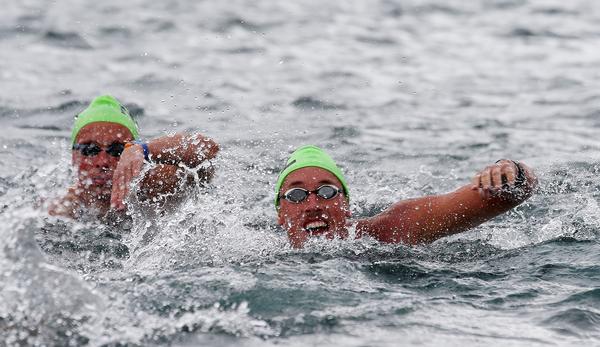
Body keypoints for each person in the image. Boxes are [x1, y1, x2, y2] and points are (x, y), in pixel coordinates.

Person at [275, 145, 537, 248]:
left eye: (326, 191)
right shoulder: (257, 257)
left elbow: (509, 194)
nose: (313, 204)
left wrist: (509, 172)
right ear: (279, 213)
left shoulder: (389, 230)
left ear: (346, 206)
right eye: (296, 194)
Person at [48, 95, 219, 219]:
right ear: (73, 156)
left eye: (117, 150)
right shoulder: (62, 210)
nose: (102, 162)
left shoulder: (157, 187)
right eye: (90, 150)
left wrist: (144, 150)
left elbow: (208, 149)